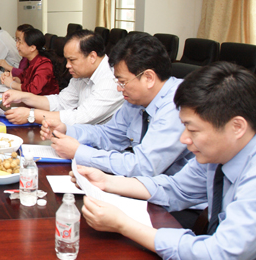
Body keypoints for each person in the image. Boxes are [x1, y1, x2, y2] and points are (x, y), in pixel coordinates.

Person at [76, 62, 256, 260]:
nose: (184, 139)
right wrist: (108, 181)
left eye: (192, 129)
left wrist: (123, 225)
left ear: (237, 127)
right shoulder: (219, 152)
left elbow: (216, 257)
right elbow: (176, 188)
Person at [39, 33, 194, 178]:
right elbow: (109, 134)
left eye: (123, 82)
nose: (119, 89)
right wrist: (67, 129)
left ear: (148, 78)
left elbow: (144, 166)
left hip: (170, 191)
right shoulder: (136, 101)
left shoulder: (178, 105)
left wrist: (79, 152)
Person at [3, 29, 123, 126]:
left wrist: (32, 115)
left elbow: (80, 118)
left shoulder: (112, 81)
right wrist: (24, 97)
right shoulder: (81, 75)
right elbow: (61, 102)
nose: (67, 65)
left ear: (92, 57)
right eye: (67, 60)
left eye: (72, 60)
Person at [0, 27, 60, 96]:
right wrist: (12, 79)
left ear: (32, 48)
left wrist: (12, 84)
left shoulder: (44, 64)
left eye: (20, 42)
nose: (17, 45)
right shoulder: (29, 60)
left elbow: (34, 89)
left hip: (44, 101)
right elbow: (23, 78)